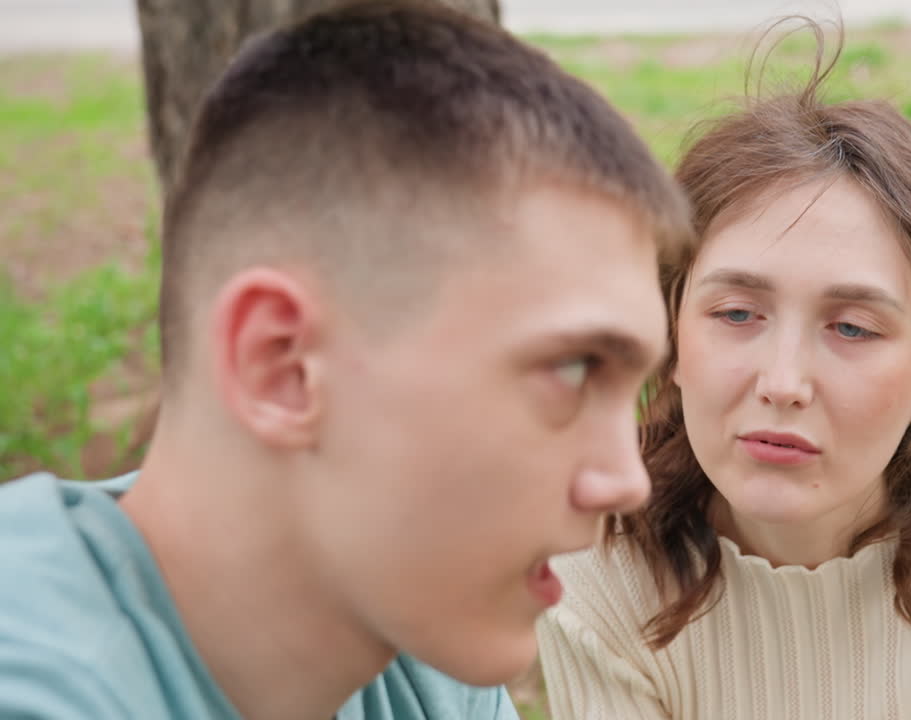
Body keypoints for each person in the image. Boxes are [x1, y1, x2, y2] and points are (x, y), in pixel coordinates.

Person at [0, 1, 691, 718]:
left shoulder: (423, 626)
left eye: (633, 389)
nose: (626, 482)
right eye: (573, 371)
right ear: (283, 365)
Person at [536, 20, 911, 720]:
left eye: (851, 327)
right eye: (736, 314)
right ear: (670, 336)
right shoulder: (595, 555)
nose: (782, 384)